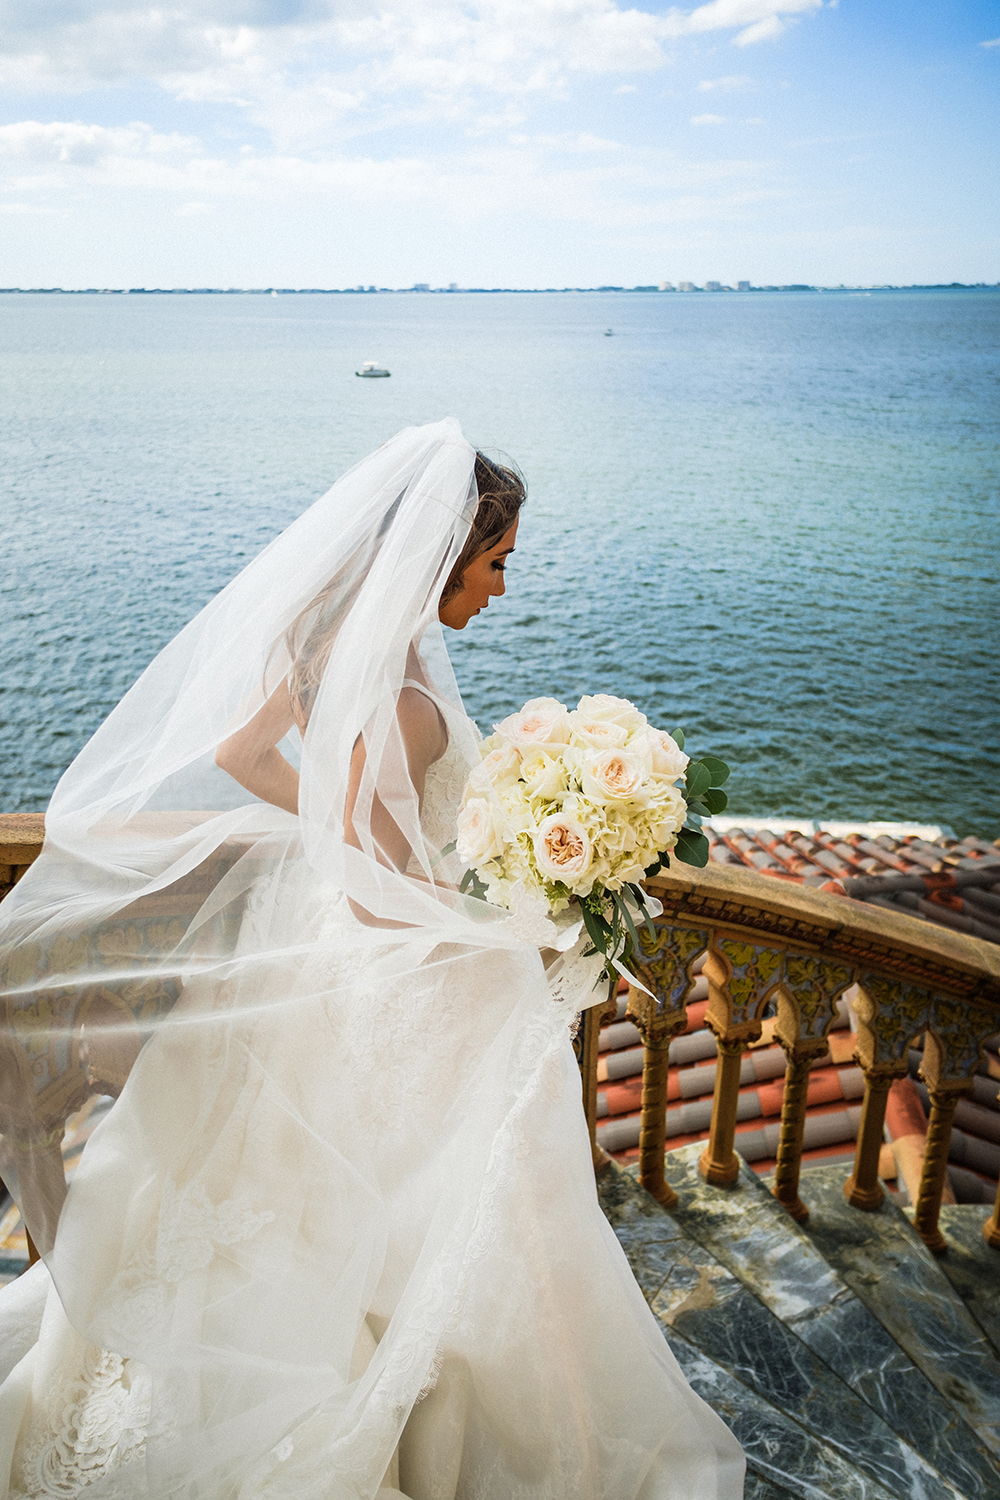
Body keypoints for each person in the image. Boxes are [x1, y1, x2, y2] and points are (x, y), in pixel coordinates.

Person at [0, 420, 744, 1499]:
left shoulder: (335, 651)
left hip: (322, 970)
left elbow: (243, 760)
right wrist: (529, 922)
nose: (500, 589)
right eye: (495, 564)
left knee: (340, 1211)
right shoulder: (397, 695)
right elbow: (373, 894)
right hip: (405, 991)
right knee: (475, 1213)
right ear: (441, 562)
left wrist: (338, 830)